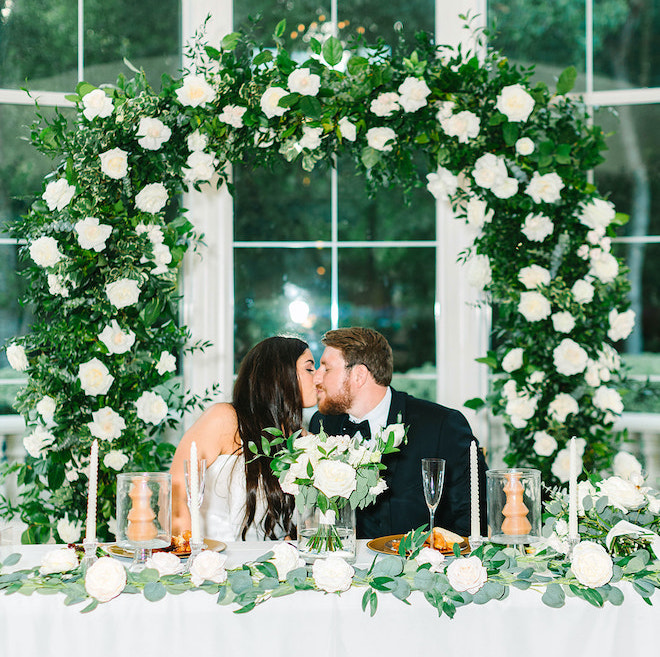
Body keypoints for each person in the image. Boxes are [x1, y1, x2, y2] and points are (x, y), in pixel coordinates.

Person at [309, 327, 487, 539]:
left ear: (359, 375)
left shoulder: (442, 426)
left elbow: (473, 518)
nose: (316, 378)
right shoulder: (321, 425)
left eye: (326, 369)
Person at [170, 336, 317, 541]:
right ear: (280, 374)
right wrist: (190, 557)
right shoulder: (225, 418)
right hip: (212, 561)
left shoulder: (303, 439)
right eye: (310, 369)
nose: (318, 377)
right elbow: (175, 491)